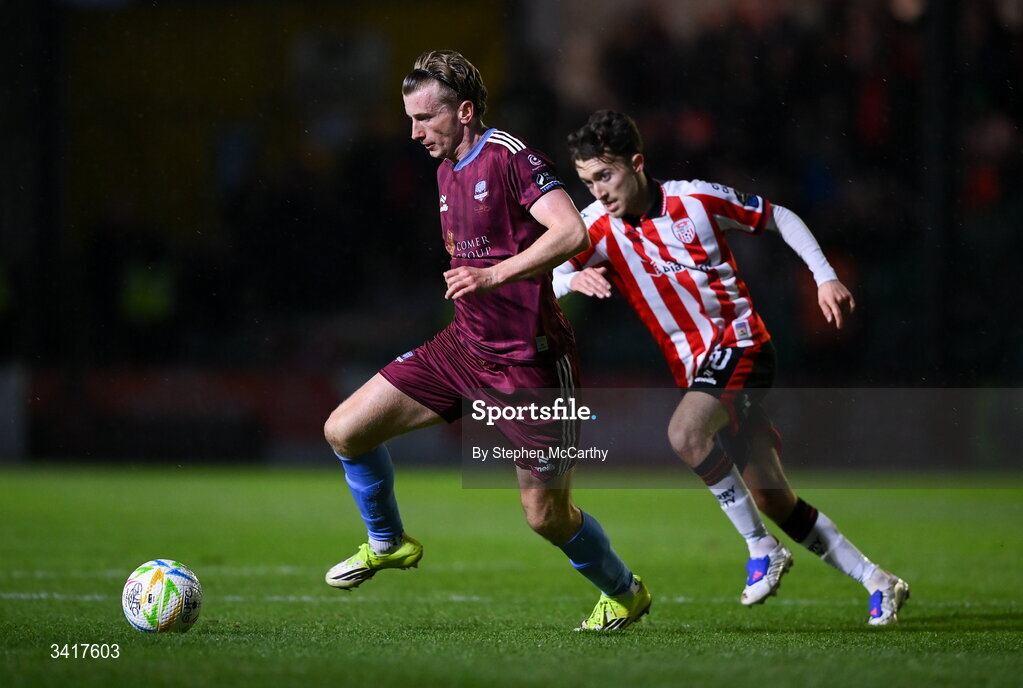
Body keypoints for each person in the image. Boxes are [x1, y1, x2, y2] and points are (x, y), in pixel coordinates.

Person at [322, 54, 651, 631]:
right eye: (410, 119)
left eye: (425, 118)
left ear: (465, 111)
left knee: (544, 517)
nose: (415, 132)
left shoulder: (509, 156)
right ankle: (387, 540)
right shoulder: (446, 169)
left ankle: (624, 592)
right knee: (345, 430)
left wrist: (495, 275)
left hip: (530, 363)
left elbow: (571, 231)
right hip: (464, 347)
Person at [553, 110, 909, 626]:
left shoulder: (694, 199)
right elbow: (548, 276)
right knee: (772, 496)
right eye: (588, 182)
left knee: (684, 433)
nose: (599, 192)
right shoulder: (594, 227)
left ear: (636, 163)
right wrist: (571, 282)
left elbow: (778, 215)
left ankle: (760, 549)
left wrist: (824, 277)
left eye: (605, 176)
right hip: (699, 371)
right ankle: (879, 581)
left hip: (743, 345)